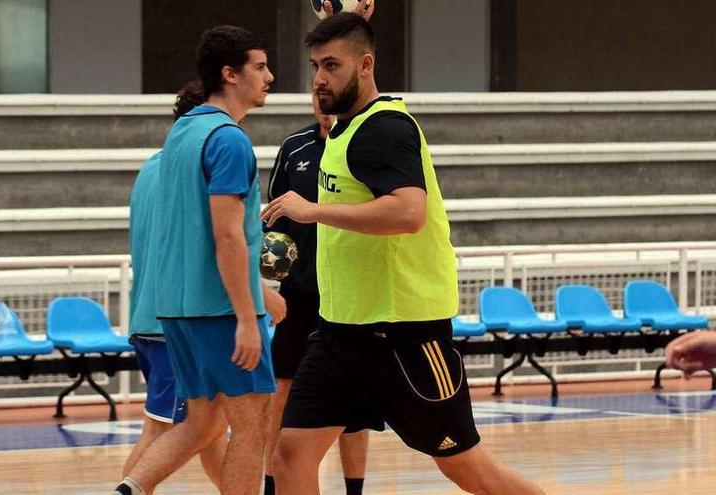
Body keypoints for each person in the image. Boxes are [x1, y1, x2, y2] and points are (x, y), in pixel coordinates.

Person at [261, 14, 547, 495]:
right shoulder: (341, 133)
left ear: (366, 65)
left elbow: (408, 212)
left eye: (332, 65)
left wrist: (313, 211)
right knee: (290, 457)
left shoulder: (384, 128)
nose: (319, 78)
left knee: (467, 469)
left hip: (404, 337)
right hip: (339, 334)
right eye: (315, 66)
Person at [115, 25, 284, 495]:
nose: (269, 76)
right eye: (260, 67)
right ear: (230, 74)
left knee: (200, 423)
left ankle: (128, 488)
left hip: (174, 310)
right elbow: (227, 234)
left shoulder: (179, 135)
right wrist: (249, 316)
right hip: (220, 310)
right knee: (252, 425)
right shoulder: (229, 140)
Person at [121, 80, 227, 489]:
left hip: (148, 317)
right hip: (175, 324)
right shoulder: (195, 171)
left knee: (208, 431)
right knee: (161, 430)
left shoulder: (151, 167)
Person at [262, 93, 369, 495]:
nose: (322, 101)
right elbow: (275, 215)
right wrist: (270, 250)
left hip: (348, 296)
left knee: (354, 404)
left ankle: (354, 491)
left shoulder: (364, 143)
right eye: (315, 92)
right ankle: (273, 484)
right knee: (281, 392)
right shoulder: (294, 148)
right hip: (299, 296)